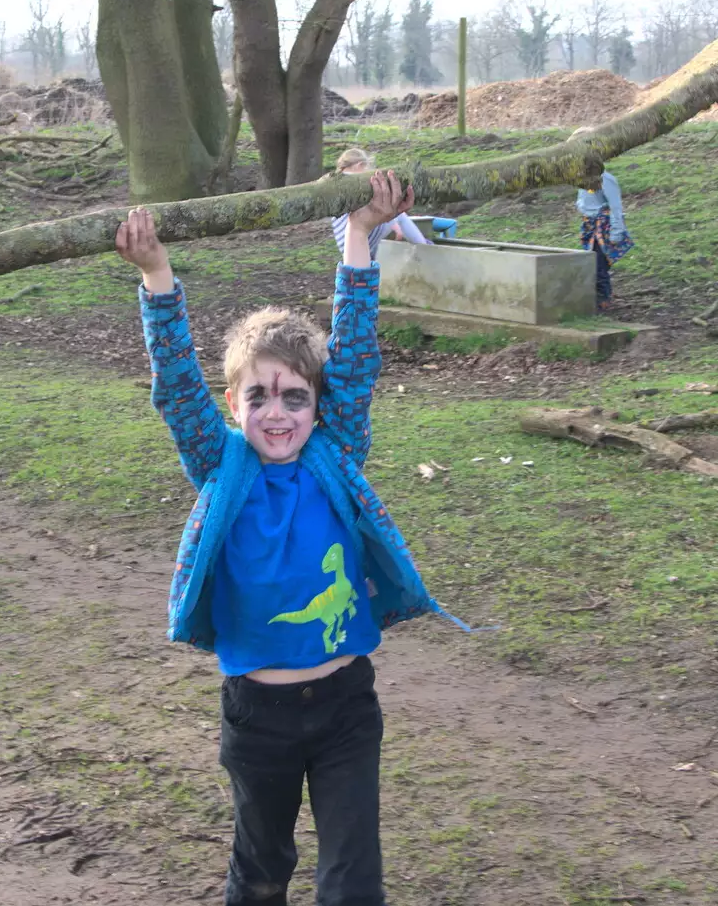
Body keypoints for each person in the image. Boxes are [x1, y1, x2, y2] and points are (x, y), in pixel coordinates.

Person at [117, 170, 467, 906]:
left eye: (295, 396)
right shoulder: (220, 466)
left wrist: (362, 234)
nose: (278, 413)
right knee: (261, 870)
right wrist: (157, 274)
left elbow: (358, 355)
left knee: (351, 879)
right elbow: (176, 381)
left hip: (345, 706)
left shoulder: (335, 452)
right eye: (258, 396)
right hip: (257, 716)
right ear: (233, 404)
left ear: (318, 404)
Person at [328, 148, 456, 260]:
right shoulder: (353, 181)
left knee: (395, 218)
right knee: (399, 215)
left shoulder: (336, 182)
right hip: (358, 234)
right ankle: (425, 248)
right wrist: (392, 222)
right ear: (360, 165)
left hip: (346, 245)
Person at [571, 129, 633, 312]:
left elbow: (616, 206)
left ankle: (603, 301)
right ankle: (598, 298)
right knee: (591, 263)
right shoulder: (582, 177)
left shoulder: (606, 179)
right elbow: (584, 199)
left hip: (603, 226)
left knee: (599, 265)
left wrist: (616, 230)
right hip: (590, 224)